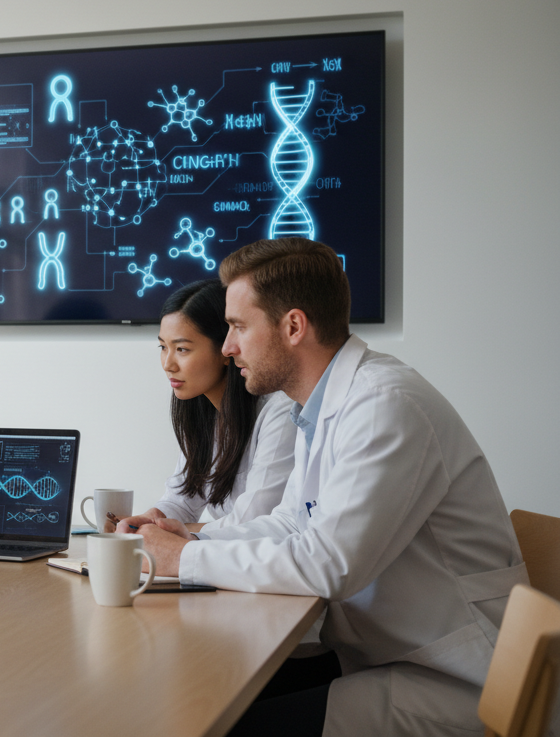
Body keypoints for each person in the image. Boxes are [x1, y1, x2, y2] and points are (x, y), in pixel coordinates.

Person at [121, 239, 526, 737]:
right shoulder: (321, 406)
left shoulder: (384, 405)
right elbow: (292, 522)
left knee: (217, 719)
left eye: (238, 327)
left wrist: (183, 559)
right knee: (191, 694)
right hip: (387, 652)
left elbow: (330, 566)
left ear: (293, 326)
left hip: (457, 675)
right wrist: (191, 537)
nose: (227, 347)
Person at [108, 279, 296, 534]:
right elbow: (181, 500)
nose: (168, 364)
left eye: (182, 349)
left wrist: (163, 530)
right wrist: (151, 518)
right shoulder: (200, 411)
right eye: (163, 347)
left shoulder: (280, 412)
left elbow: (253, 522)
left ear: (226, 349)